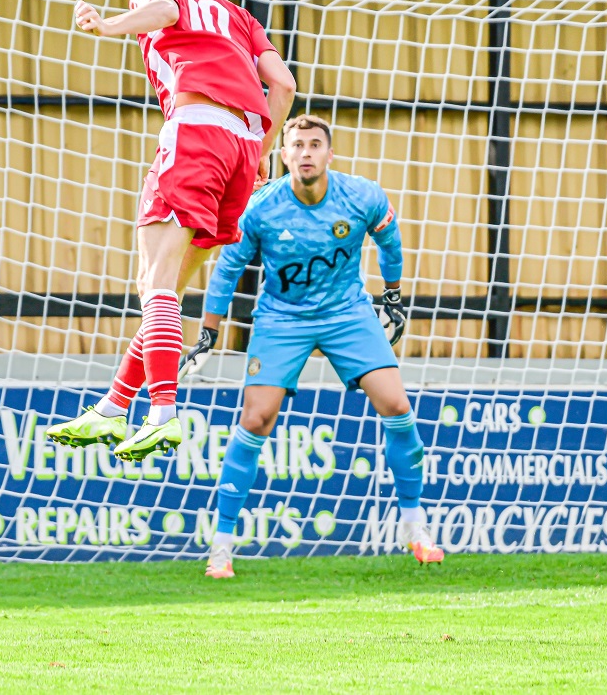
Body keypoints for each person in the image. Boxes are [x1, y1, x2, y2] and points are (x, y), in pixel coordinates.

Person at [46, 0, 296, 462]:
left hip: (196, 132)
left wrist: (109, 24)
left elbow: (165, 12)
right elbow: (284, 86)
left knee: (154, 284)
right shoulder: (241, 17)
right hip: (243, 152)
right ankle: (114, 406)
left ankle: (161, 415)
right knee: (170, 290)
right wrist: (263, 151)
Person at [180, 114, 444, 577]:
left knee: (397, 405)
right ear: (283, 156)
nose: (305, 152)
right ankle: (221, 547)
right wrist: (209, 332)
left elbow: (390, 239)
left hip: (347, 313)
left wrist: (394, 298)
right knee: (256, 419)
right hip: (283, 318)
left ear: (329, 153)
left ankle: (414, 524)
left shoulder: (361, 195)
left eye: (314, 144)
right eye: (296, 145)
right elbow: (225, 271)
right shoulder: (260, 207)